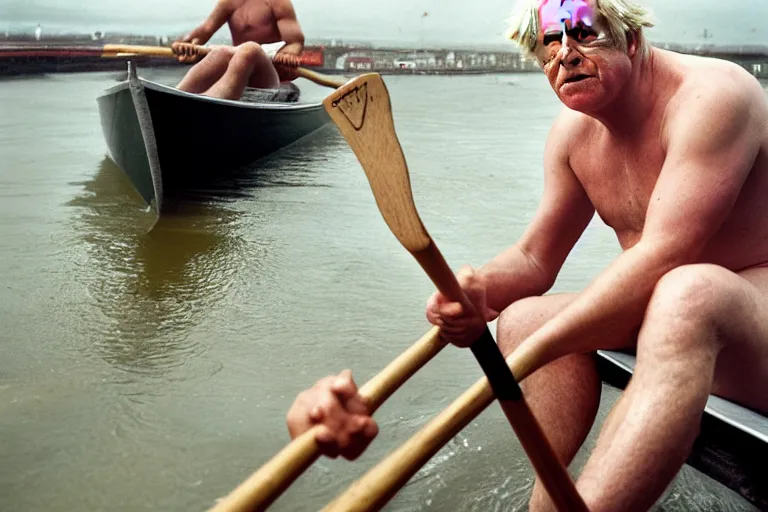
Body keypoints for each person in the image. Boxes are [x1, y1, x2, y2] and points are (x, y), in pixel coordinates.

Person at [285, 0, 768, 510]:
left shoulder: (713, 96)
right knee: (520, 322)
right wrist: (467, 291)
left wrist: (537, 346)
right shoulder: (574, 134)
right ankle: (550, 503)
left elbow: (664, 256)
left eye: (584, 35)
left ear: (630, 39)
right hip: (671, 313)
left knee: (688, 292)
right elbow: (535, 259)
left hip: (751, 321)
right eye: (550, 47)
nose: (566, 56)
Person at [170, 0, 305, 100]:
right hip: (239, 73)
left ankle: (210, 105)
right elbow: (204, 31)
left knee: (249, 50)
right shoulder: (229, 2)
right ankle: (176, 97)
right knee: (221, 53)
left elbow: (295, 42)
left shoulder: (278, 3)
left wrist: (289, 54)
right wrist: (186, 45)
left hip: (269, 79)